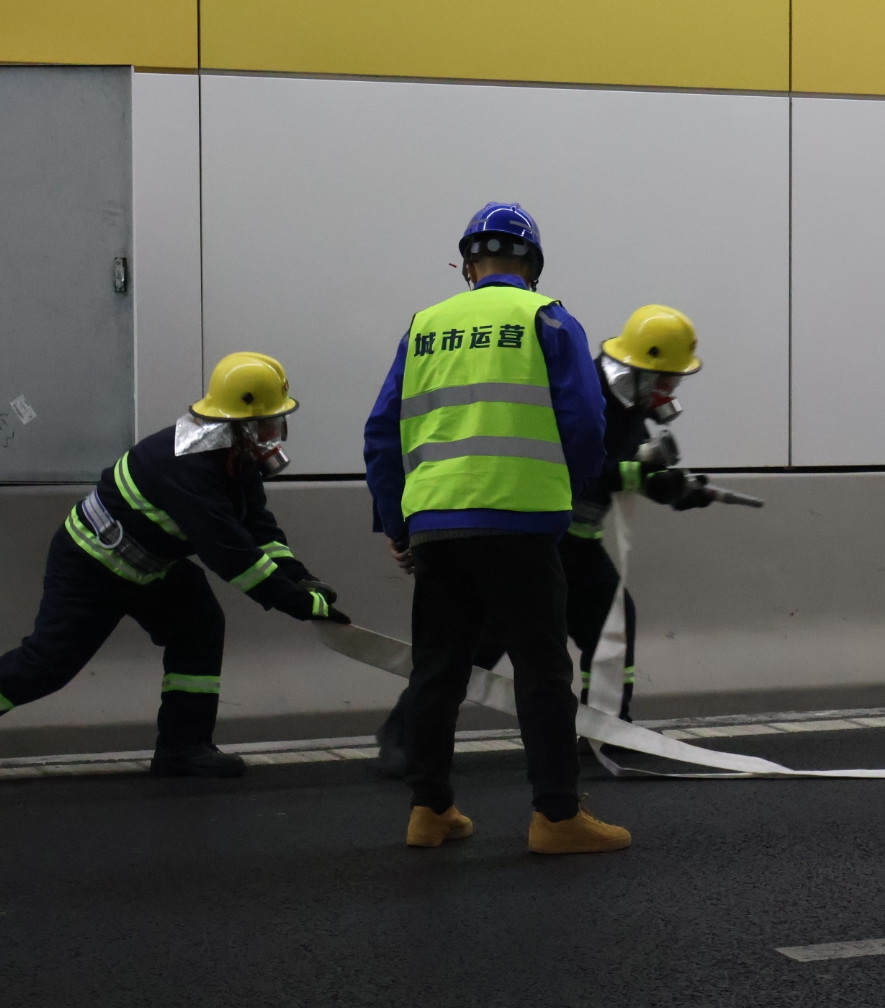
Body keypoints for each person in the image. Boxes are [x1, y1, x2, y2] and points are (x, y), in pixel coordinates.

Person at [363, 201, 631, 854]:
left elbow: (382, 433)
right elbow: (586, 423)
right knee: (542, 672)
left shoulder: (424, 326)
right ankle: (556, 818)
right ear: (531, 265)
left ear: (468, 266)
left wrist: (397, 523)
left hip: (437, 524)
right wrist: (568, 489)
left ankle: (429, 811)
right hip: (520, 523)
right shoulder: (547, 318)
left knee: (437, 670)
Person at [372, 305, 710, 777]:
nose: (670, 391)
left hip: (578, 543)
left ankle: (609, 726)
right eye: (667, 379)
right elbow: (579, 466)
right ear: (642, 368)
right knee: (480, 642)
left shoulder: (633, 404)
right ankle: (402, 735)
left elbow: (624, 465)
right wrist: (640, 472)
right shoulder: (593, 394)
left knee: (610, 625)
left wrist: (675, 489)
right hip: (538, 536)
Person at [0, 352, 347, 777]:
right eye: (267, 425)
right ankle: (183, 746)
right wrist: (294, 602)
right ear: (241, 426)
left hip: (149, 565)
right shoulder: (189, 466)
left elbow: (257, 526)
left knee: (200, 624)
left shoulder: (233, 458)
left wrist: (299, 576)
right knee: (46, 666)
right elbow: (229, 553)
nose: (274, 435)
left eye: (277, 423)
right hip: (92, 566)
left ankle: (183, 748)